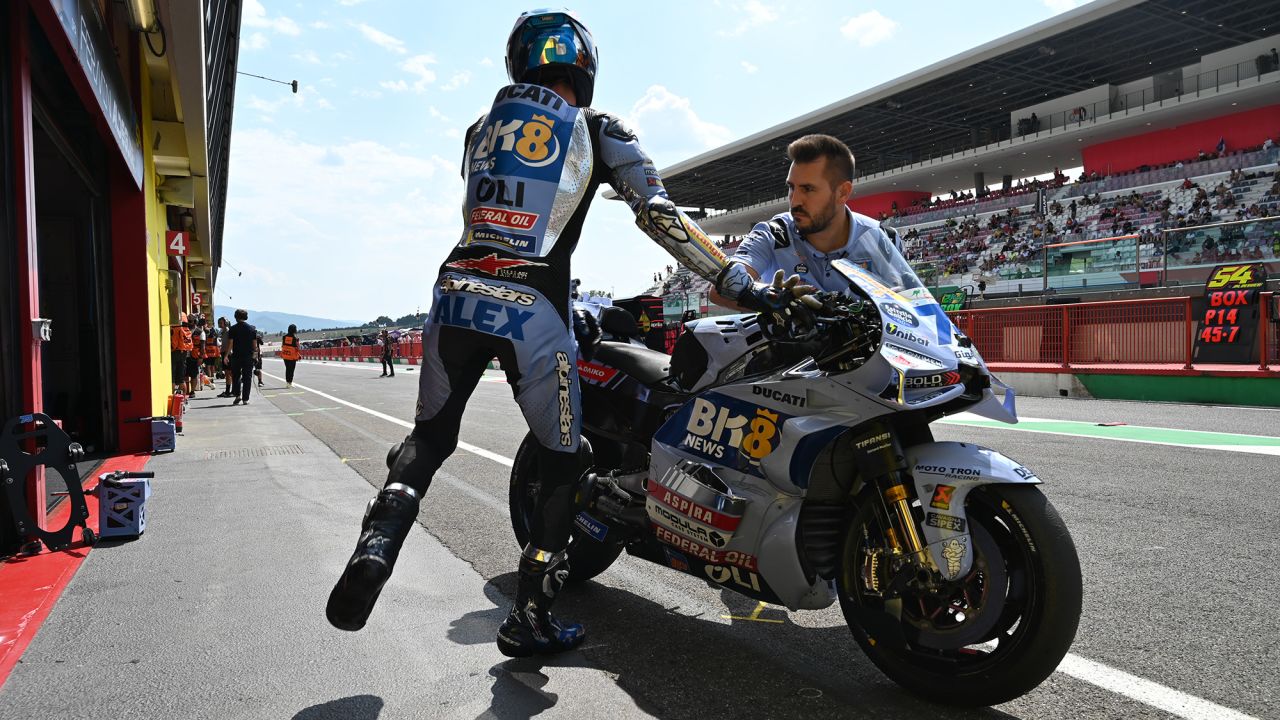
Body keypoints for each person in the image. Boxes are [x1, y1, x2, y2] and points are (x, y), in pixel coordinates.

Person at [325, 8, 814, 657]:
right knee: (566, 461)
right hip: (535, 306)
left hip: (457, 294)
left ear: (519, 61)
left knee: (430, 439)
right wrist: (738, 280)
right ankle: (529, 614)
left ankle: (377, 546)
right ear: (584, 66)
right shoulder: (600, 129)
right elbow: (661, 217)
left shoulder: (480, 130)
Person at [709, 134, 921, 309]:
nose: (795, 200)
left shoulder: (883, 238)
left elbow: (911, 305)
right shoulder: (772, 233)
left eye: (808, 189)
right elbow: (721, 290)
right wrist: (770, 297)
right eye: (792, 187)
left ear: (842, 192)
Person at [224, 309, 258, 406]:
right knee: (247, 377)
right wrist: (255, 357)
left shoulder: (233, 329)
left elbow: (230, 343)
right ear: (246, 317)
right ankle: (245, 399)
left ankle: (237, 395)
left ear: (235, 317)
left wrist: (226, 356)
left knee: (236, 376)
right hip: (248, 357)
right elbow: (254, 346)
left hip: (236, 356)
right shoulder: (251, 329)